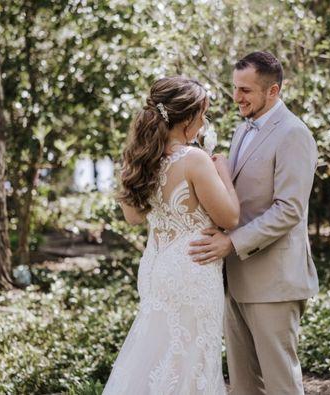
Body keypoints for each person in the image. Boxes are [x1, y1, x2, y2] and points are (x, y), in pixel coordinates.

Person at [189, 51, 319, 395]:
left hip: (274, 281)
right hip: (235, 277)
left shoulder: (294, 134)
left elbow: (289, 210)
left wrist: (231, 242)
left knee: (280, 384)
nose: (237, 97)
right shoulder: (241, 129)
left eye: (245, 90)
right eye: (235, 88)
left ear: (273, 91)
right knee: (244, 386)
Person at [102, 76, 239, 395]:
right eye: (203, 115)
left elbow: (133, 217)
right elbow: (230, 216)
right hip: (192, 270)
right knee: (191, 362)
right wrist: (225, 176)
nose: (204, 123)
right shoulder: (195, 160)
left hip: (157, 265)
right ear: (188, 117)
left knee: (159, 355)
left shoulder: (143, 157)